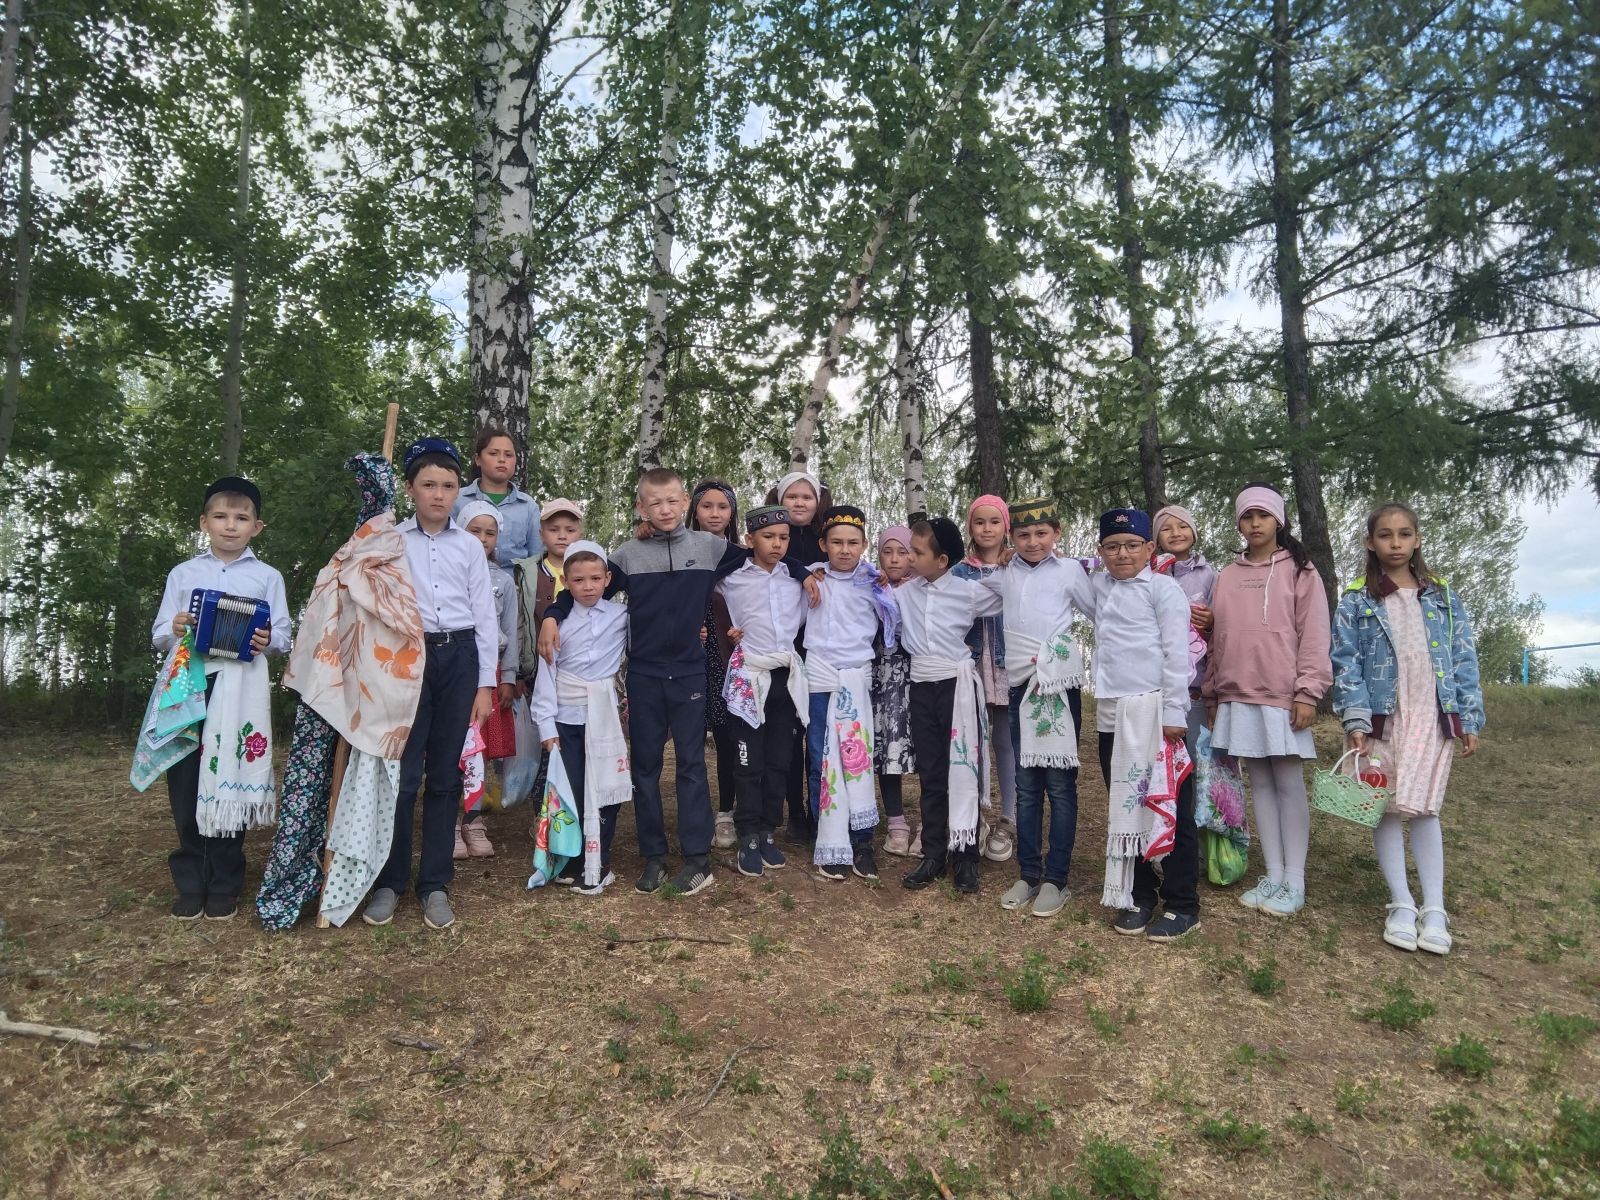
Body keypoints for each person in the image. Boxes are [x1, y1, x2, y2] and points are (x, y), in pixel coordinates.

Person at [538, 467, 817, 897]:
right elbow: (584, 586)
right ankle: (653, 857)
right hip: (645, 674)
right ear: (641, 507)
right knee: (645, 768)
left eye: (672, 501)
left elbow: (763, 555)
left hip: (689, 674)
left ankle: (697, 859)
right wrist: (552, 617)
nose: (665, 510)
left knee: (690, 765)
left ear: (685, 501)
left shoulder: (710, 548)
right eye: (655, 503)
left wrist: (803, 573)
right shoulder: (628, 555)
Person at [1332, 502, 1483, 955]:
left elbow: (1463, 657)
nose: (1395, 543)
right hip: (1382, 717)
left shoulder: (1442, 597)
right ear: (1370, 542)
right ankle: (1401, 902)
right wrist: (1356, 718)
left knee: (1425, 808)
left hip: (1431, 714)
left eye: (1403, 534)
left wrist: (1469, 716)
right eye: (1385, 535)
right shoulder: (1357, 600)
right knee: (1385, 806)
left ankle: (1434, 908)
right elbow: (1345, 662)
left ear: (1417, 539)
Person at [363, 438, 498, 932]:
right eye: (428, 485)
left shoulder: (469, 546)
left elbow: (484, 616)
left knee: (444, 774)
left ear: (458, 490)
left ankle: (435, 883)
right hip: (408, 658)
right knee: (402, 775)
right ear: (410, 489)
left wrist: (484, 684)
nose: (438, 495)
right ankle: (390, 881)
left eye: (447, 486)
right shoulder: (391, 541)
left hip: (459, 657)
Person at [147, 476, 291, 921]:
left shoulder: (267, 577)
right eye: (221, 516)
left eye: (241, 518)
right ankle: (191, 880)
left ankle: (225, 882)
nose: (231, 525)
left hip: (241, 689)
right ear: (204, 522)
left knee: (233, 770)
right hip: (190, 684)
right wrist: (174, 628)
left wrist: (267, 639)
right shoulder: (183, 574)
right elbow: (159, 635)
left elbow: (283, 636)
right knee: (186, 777)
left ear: (256, 527)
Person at [1203, 483, 1332, 919]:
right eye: (1247, 516)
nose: (1255, 523)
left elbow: (1315, 634)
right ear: (1239, 523)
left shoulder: (1301, 571)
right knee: (1259, 784)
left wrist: (1308, 691)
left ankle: (1295, 879)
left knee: (1289, 784)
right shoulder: (1227, 575)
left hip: (1283, 694)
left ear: (1279, 520)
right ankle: (1273, 874)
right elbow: (1217, 639)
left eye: (1263, 515)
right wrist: (1213, 692)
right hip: (1237, 692)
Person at [1086, 508, 1199, 942]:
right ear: (1101, 551)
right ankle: (1139, 894)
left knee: (1171, 804)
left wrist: (1174, 714)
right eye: (1112, 547)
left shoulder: (1164, 590)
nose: (1122, 554)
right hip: (1113, 715)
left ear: (1149, 548)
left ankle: (1182, 903)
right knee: (1126, 804)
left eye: (1132, 545)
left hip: (1156, 715)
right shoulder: (1099, 586)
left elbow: (1176, 654)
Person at [977, 498, 1092, 918]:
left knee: (1060, 786)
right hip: (1020, 685)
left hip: (1057, 685)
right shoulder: (1004, 574)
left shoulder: (1070, 571)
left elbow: (1102, 612)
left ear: (1056, 533)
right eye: (1023, 534)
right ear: (1012, 537)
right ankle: (1028, 873)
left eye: (1041, 533)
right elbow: (963, 591)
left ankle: (1056, 878)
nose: (1032, 541)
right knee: (1026, 786)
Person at [896, 517, 1003, 896]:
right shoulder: (904, 593)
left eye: (917, 551)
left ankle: (966, 855)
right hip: (922, 687)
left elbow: (1010, 590)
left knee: (963, 768)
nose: (909, 556)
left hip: (957, 687)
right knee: (931, 771)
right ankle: (933, 853)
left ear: (942, 560)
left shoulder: (967, 592)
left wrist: (1005, 561)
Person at [803, 505, 901, 883]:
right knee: (819, 756)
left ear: (863, 545)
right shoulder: (811, 577)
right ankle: (829, 837)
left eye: (853, 543)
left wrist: (888, 588)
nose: (845, 550)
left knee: (856, 758)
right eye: (837, 542)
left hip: (856, 679)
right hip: (819, 679)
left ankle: (862, 842)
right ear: (823, 544)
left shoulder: (873, 581)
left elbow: (895, 620)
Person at [530, 540, 630, 895]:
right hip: (566, 718)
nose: (587, 587)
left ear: (607, 579)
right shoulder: (558, 624)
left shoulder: (621, 617)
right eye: (578, 580)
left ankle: (600, 857)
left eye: (595, 579)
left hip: (602, 717)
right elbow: (547, 674)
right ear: (566, 582)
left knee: (606, 786)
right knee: (570, 788)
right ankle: (572, 858)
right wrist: (546, 724)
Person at [716, 505, 810, 878]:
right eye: (768, 537)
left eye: (783, 537)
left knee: (779, 761)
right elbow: (701, 597)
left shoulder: (797, 580)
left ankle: (768, 829)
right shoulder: (731, 579)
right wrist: (723, 630)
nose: (776, 544)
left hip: (785, 679)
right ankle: (748, 835)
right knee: (747, 761)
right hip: (749, 680)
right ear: (749, 539)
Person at [952, 495, 1018, 863]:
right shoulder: (959, 572)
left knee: (1005, 742)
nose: (987, 529)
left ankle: (1008, 818)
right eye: (980, 522)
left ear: (1006, 526)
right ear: (971, 527)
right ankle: (973, 816)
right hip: (973, 666)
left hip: (1007, 666)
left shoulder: (1017, 566)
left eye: (995, 522)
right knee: (972, 742)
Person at [454, 499, 520, 859]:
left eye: (489, 533)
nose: (482, 539)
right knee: (451, 748)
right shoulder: (448, 572)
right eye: (474, 531)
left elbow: (510, 630)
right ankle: (450, 822)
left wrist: (507, 676)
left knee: (478, 749)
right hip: (454, 670)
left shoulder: (503, 581)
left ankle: (473, 820)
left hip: (489, 674)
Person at [767, 470, 831, 843]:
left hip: (821, 648)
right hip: (787, 648)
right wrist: (800, 570)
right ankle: (794, 813)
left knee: (817, 735)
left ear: (817, 501)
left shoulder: (826, 541)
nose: (800, 503)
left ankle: (820, 806)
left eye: (807, 497)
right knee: (790, 735)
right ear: (780, 500)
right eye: (792, 496)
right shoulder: (776, 540)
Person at [690, 478, 742, 850]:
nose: (714, 513)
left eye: (722, 507)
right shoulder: (678, 550)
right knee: (691, 738)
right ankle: (694, 813)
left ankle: (726, 812)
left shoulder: (740, 555)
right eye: (706, 506)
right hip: (689, 652)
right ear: (694, 510)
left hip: (727, 653)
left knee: (726, 736)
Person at [1152, 504, 1219, 752]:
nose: (1175, 533)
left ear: (1193, 532)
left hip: (1198, 687)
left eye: (1182, 526)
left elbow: (1223, 629)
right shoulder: (1149, 576)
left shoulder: (1210, 575)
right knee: (1164, 759)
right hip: (1158, 686)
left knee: (1200, 756)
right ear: (1155, 540)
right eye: (1166, 529)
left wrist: (1210, 624)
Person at [870, 525, 916, 856]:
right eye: (888, 552)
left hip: (918, 676)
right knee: (887, 746)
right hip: (882, 677)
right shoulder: (871, 587)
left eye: (903, 552)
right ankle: (896, 822)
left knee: (925, 747)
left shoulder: (924, 589)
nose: (895, 559)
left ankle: (930, 821)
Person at [453, 427, 542, 563]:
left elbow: (537, 556)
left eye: (508, 455)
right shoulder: (457, 499)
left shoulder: (528, 506)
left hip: (514, 576)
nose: (502, 459)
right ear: (478, 459)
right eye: (493, 453)